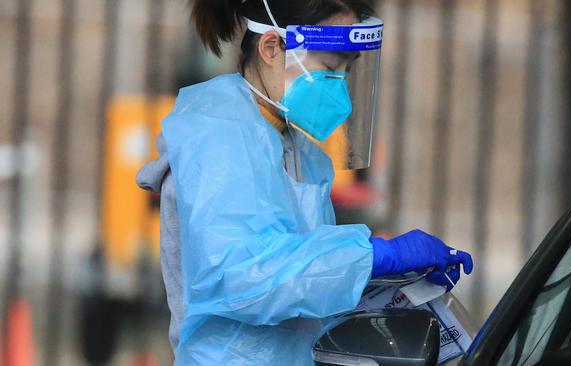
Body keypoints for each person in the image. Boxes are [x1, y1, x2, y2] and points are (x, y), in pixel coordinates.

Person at [137, 0, 474, 364]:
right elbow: (239, 277)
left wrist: (395, 281)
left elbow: (300, 276)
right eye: (329, 67)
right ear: (271, 48)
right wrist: (372, 257)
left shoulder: (294, 148)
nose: (340, 86)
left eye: (347, 69)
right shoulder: (218, 134)